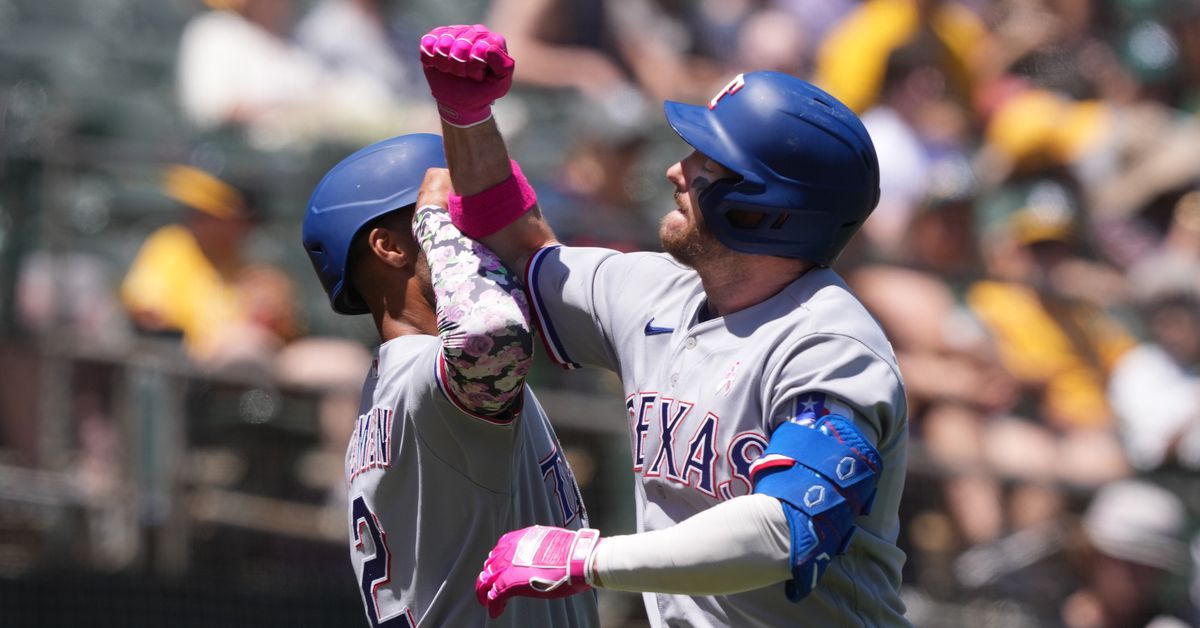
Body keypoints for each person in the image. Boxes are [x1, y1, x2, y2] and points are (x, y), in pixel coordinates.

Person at [419, 25, 910, 626]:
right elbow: (518, 247)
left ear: (764, 208)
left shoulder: (830, 346)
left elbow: (787, 528)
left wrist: (586, 556)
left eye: (708, 162)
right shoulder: (657, 291)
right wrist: (467, 117)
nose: (676, 172)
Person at [300, 133, 598, 628]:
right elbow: (492, 332)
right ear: (391, 247)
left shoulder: (395, 385)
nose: (483, 236)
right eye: (462, 220)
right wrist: (438, 220)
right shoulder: (429, 378)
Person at [121, 164, 299, 370]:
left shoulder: (259, 263)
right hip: (186, 368)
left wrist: (270, 320)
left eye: (205, 214)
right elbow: (147, 314)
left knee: (334, 362)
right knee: (244, 348)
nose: (192, 219)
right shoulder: (172, 245)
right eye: (194, 212)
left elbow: (283, 332)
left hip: (255, 364)